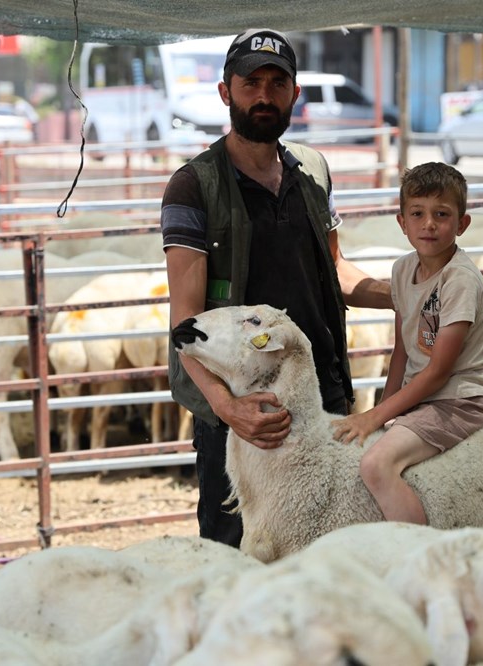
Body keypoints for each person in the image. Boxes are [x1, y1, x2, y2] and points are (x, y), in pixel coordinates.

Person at [160, 28, 392, 547]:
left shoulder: (312, 171)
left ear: (294, 93)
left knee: (332, 548)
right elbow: (187, 324)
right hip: (243, 409)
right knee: (241, 550)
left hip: (319, 399)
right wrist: (227, 409)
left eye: (276, 82)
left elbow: (337, 271)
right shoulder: (194, 186)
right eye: (251, 83)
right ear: (226, 92)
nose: (264, 95)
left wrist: (411, 293)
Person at [332, 162, 483, 525]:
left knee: (376, 464)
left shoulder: (459, 281)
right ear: (402, 223)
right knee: (371, 443)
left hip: (456, 401)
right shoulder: (403, 270)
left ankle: (415, 551)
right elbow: (403, 350)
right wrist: (384, 412)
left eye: (442, 214)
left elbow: (439, 371)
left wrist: (374, 415)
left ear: (462, 223)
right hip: (423, 401)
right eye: (418, 214)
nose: (430, 224)